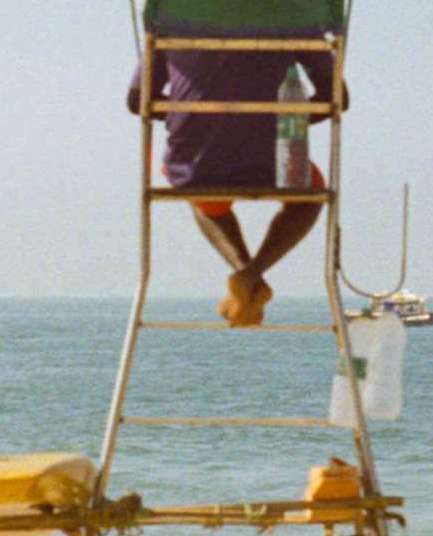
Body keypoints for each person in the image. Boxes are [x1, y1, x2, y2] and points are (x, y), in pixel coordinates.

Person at [126, 36, 344, 327]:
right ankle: (250, 276)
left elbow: (136, 101)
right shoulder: (295, 17)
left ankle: (246, 274)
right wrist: (276, 117)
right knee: (310, 195)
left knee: (202, 195)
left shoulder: (172, 21)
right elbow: (337, 98)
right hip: (273, 157)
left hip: (196, 163)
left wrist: (195, 112)